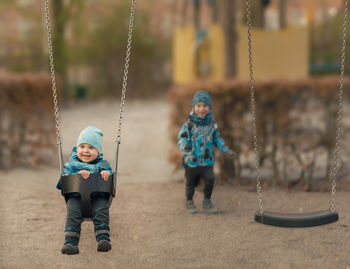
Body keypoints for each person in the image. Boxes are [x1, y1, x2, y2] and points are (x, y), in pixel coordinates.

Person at [56, 126, 113, 255]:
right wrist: (77, 175)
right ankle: (70, 243)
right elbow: (62, 182)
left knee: (101, 210)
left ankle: (103, 240)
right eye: (82, 146)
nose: (86, 151)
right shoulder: (71, 165)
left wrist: (106, 174)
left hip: (97, 197)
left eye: (91, 148)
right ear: (77, 149)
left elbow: (109, 175)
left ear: (98, 152)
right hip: (75, 198)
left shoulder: (103, 164)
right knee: (72, 214)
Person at [177, 91, 235, 214]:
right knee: (191, 182)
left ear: (209, 107)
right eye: (198, 106)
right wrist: (187, 152)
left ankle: (207, 201)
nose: (201, 109)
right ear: (194, 107)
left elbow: (217, 139)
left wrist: (225, 149)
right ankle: (189, 200)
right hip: (192, 161)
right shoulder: (189, 125)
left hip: (207, 161)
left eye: (204, 106)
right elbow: (182, 138)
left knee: (210, 179)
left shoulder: (212, 124)